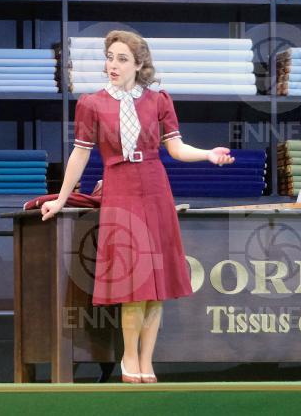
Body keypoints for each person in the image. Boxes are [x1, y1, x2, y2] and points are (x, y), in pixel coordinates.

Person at [41, 30, 234, 383]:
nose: (112, 65)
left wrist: (208, 154)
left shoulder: (158, 100)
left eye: (122, 59)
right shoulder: (92, 103)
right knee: (135, 280)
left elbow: (176, 149)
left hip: (156, 186)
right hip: (120, 188)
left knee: (157, 285)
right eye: (109, 58)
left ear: (139, 64)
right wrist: (61, 198)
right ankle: (129, 356)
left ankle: (147, 360)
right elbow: (80, 154)